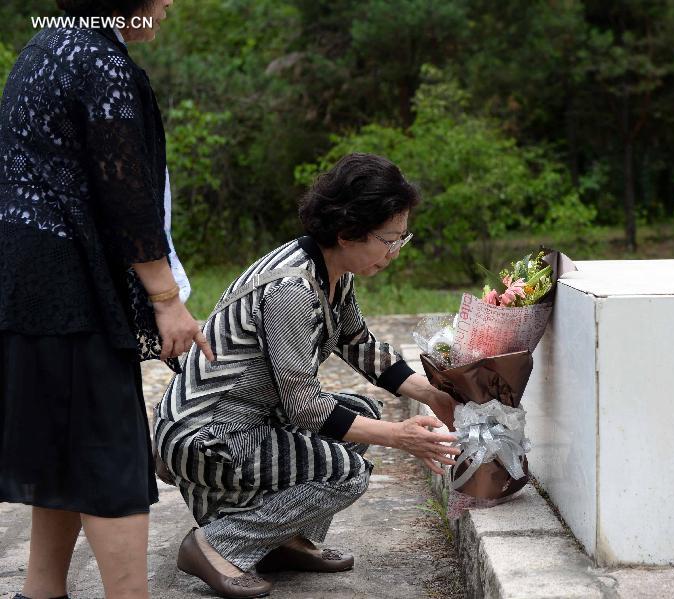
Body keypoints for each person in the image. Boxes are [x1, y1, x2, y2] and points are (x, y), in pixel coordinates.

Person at [155, 153, 461, 598]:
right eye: (387, 239)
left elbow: (359, 345)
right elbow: (305, 406)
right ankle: (217, 544)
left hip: (245, 421)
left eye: (401, 238)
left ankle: (279, 540)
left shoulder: (332, 269)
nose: (395, 252)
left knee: (360, 413)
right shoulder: (292, 290)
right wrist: (402, 436)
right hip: (207, 435)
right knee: (346, 471)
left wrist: (432, 394)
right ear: (348, 232)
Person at [0, 1, 212, 598]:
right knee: (110, 460)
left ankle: (40, 592)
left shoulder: (45, 49)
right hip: (75, 294)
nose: (169, 2)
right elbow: (128, 197)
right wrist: (166, 300)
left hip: (30, 288)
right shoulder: (102, 64)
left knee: (64, 455)